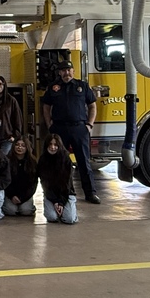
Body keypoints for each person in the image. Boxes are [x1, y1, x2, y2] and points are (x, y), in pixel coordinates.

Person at [41, 60, 101, 204]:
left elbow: (92, 106)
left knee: (84, 162)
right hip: (59, 129)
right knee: (59, 162)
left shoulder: (82, 86)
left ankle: (90, 193)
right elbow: (46, 107)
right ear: (59, 72)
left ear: (73, 71)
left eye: (69, 70)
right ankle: (60, 192)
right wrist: (49, 124)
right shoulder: (53, 88)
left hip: (79, 128)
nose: (66, 73)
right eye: (63, 70)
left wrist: (89, 124)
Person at [38, 133, 78, 224]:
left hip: (66, 194)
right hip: (50, 194)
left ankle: (69, 210)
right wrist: (55, 201)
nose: (53, 147)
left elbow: (67, 183)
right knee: (52, 217)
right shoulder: (43, 160)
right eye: (50, 144)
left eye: (55, 145)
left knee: (69, 219)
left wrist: (61, 202)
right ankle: (58, 210)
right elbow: (45, 184)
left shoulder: (66, 159)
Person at [0, 76, 23, 155]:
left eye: (1, 84)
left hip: (7, 138)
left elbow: (18, 119)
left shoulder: (11, 101)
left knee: (4, 160)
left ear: (4, 85)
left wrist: (15, 136)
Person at [4, 137, 40, 217]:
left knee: (26, 211)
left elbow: (33, 184)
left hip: (25, 194)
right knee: (10, 211)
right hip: (10, 194)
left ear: (27, 147)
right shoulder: (7, 160)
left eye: (23, 145)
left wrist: (22, 197)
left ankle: (30, 206)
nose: (19, 147)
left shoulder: (32, 162)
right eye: (17, 145)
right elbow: (4, 180)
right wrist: (12, 195)